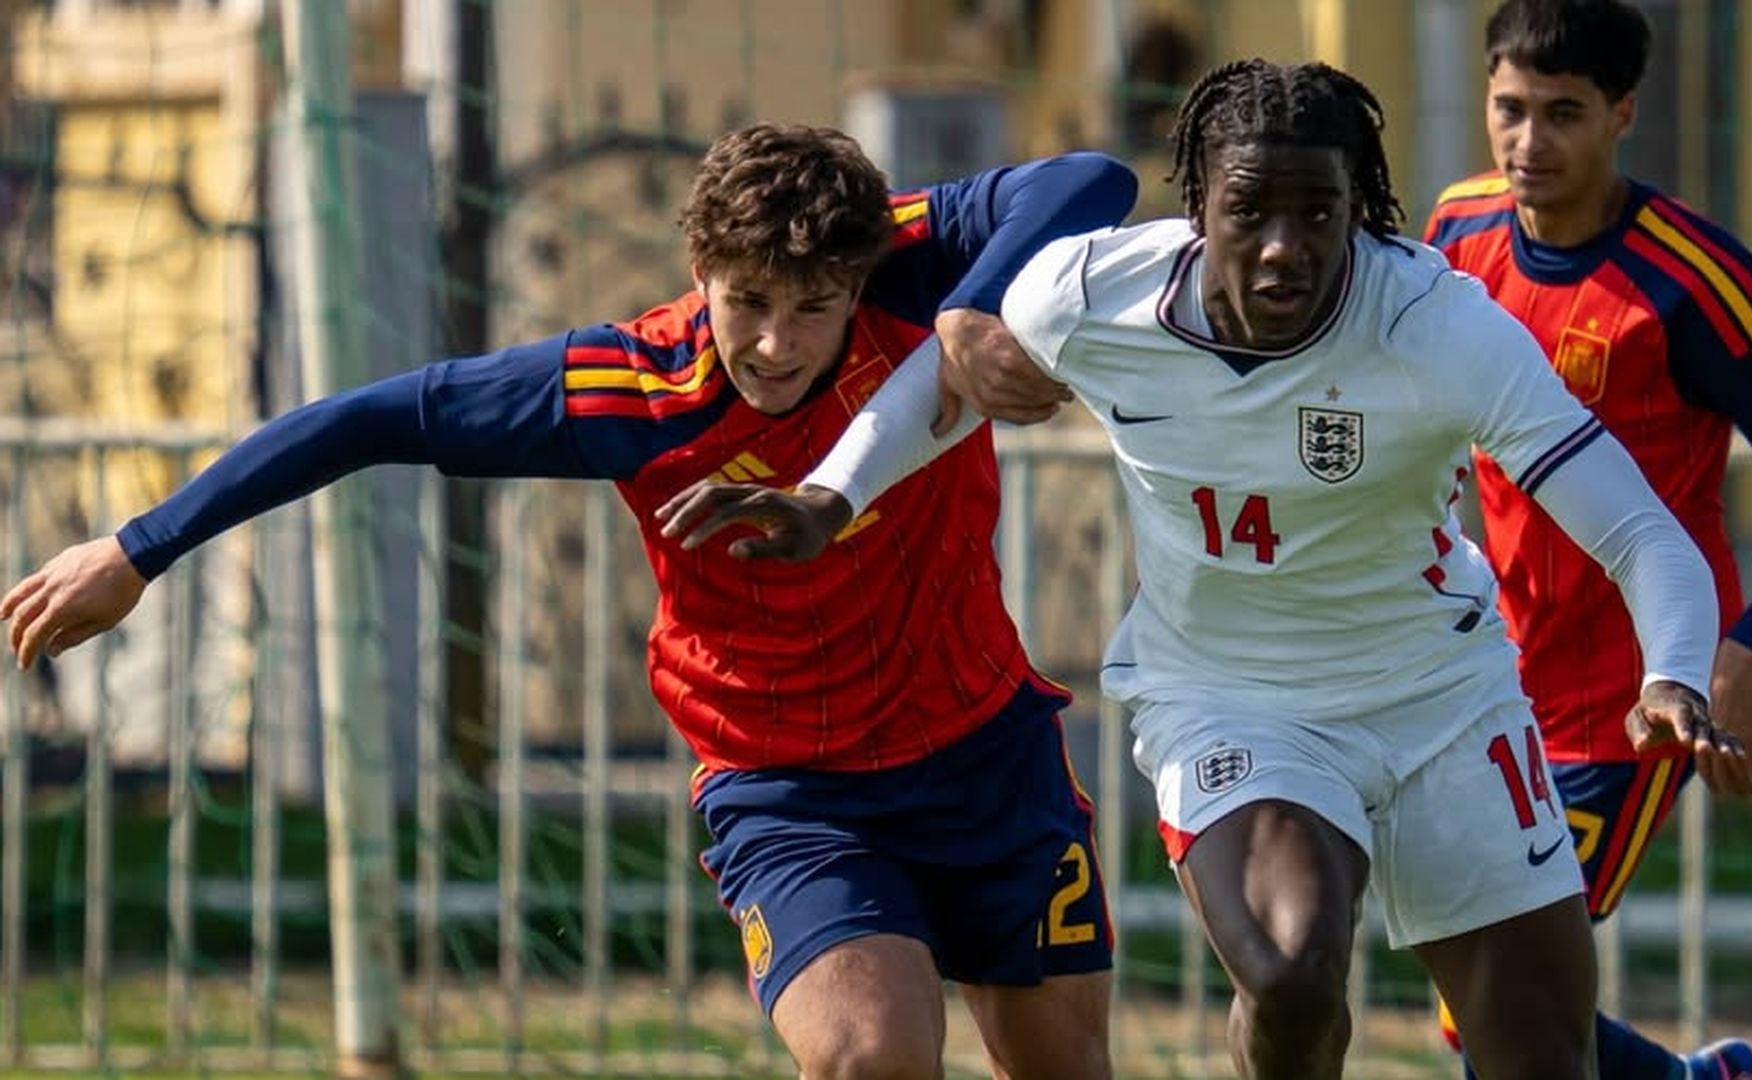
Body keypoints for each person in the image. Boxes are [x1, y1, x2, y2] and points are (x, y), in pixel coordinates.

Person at [658, 60, 1752, 1080]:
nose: (1284, 245)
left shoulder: (1439, 327)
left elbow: (1644, 533)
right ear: (1200, 206)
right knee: (1290, 968)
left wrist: (1671, 673)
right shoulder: (1093, 294)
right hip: (1231, 702)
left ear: (1357, 213)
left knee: (1541, 1061)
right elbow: (942, 395)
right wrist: (828, 497)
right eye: (1251, 212)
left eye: (1318, 214)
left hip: (1442, 699)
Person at [0, 123, 1138, 1080]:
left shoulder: (910, 266)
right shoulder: (626, 387)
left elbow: (1093, 181)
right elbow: (363, 420)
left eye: (812, 307)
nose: (776, 343)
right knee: (869, 1056)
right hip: (791, 788)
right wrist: (140, 548)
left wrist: (971, 315)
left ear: (857, 278)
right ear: (700, 269)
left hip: (987, 758)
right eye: (747, 301)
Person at [1422, 2, 1752, 1075]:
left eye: (1563, 115)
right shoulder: (1457, 232)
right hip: (1484, 682)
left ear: (1624, 113)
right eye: (1509, 109)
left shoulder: (1690, 284)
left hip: (1633, 709)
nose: (1527, 143)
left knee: (1508, 996)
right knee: (1477, 1002)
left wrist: (1739, 651)